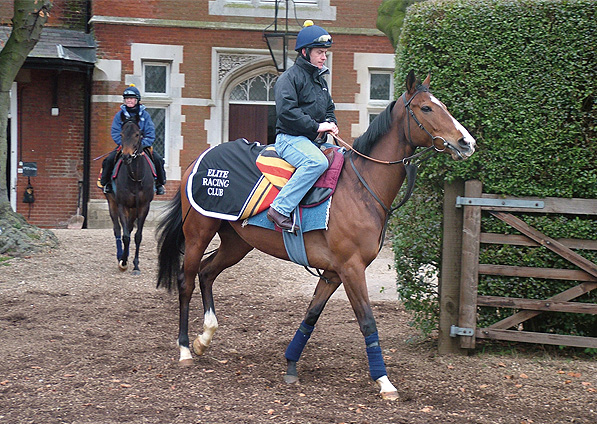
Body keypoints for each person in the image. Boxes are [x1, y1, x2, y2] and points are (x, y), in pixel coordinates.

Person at [267, 20, 339, 232]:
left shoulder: (320, 81)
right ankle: (279, 209)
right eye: (319, 52)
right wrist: (318, 127)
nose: (324, 57)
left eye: (325, 53)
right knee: (317, 163)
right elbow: (287, 113)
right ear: (305, 52)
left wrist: (331, 123)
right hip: (289, 139)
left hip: (312, 141)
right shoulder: (288, 78)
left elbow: (329, 108)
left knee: (342, 159)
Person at [100, 84, 166, 195]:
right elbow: (115, 132)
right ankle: (107, 184)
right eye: (127, 99)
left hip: (142, 146)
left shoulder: (145, 115)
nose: (129, 101)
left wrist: (142, 144)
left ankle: (160, 184)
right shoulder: (119, 115)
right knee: (109, 160)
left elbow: (150, 133)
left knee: (158, 159)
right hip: (125, 145)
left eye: (131, 98)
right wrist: (124, 144)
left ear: (137, 100)